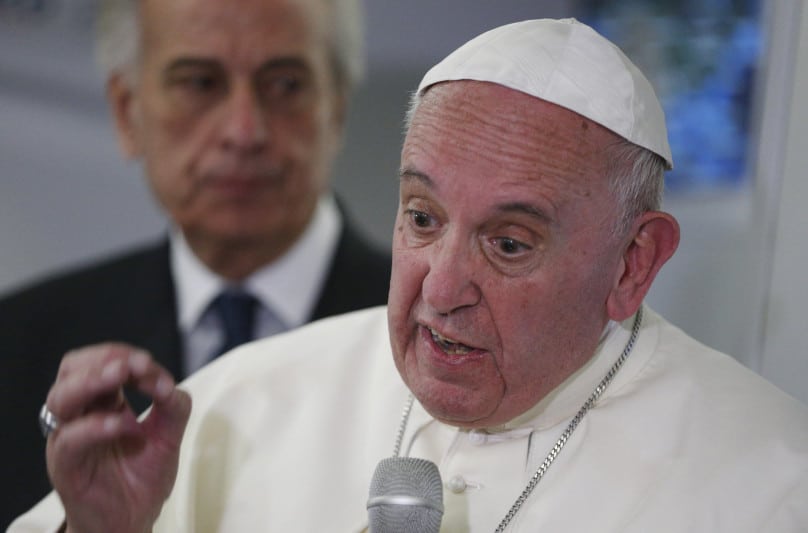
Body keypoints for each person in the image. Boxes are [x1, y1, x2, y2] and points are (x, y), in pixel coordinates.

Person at [11, 18, 808, 533]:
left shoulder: (771, 482)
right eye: (423, 219)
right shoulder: (242, 401)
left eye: (509, 242)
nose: (440, 286)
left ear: (633, 264)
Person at [0, 0, 391, 528]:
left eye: (285, 85)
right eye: (200, 83)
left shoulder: (436, 336)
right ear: (126, 111)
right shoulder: (18, 347)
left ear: (337, 108)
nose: (244, 131)